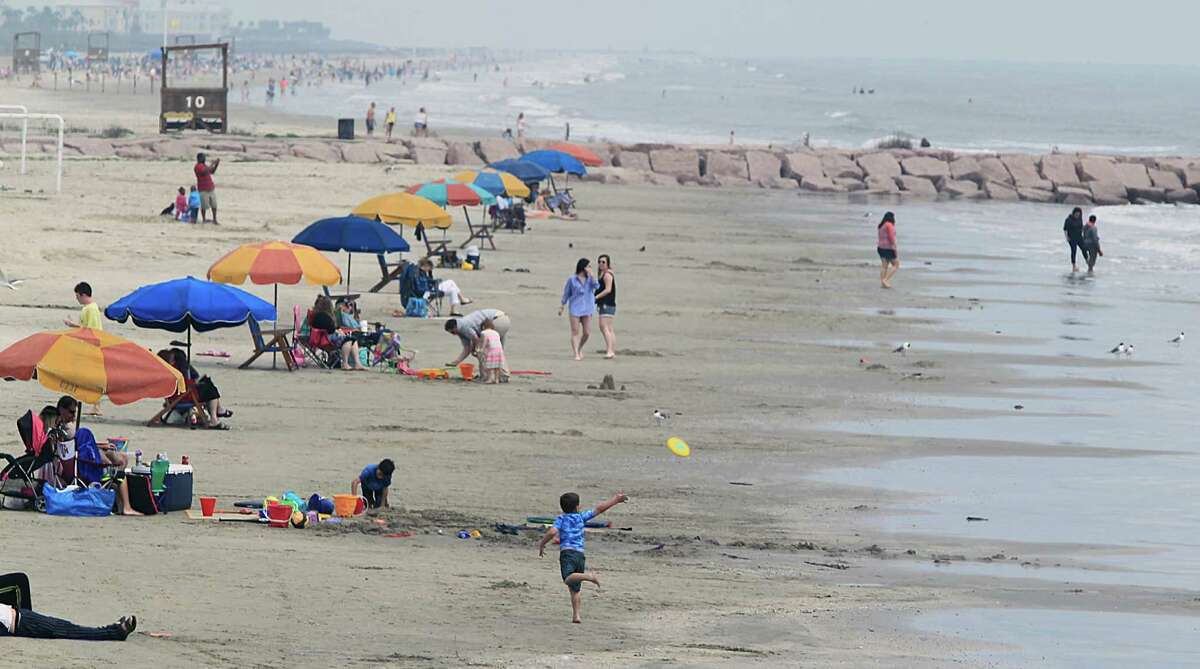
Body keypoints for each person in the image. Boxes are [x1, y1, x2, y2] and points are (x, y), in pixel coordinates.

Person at [537, 491, 629, 624]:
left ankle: (589, 577)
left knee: (568, 578)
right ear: (577, 507)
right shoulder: (580, 517)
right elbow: (599, 509)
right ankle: (577, 615)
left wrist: (542, 544)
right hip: (580, 554)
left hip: (567, 553)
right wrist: (615, 499)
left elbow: (552, 531)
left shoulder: (561, 519)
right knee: (574, 588)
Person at [0, 573, 136, 641]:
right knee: (68, 630)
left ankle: (113, 630)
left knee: (66, 627)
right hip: (23, 624)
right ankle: (115, 632)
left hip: (23, 618)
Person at [64, 282, 104, 415]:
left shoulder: (90, 309)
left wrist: (73, 326)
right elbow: (87, 328)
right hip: (90, 346)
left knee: (89, 378)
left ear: (83, 294)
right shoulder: (90, 308)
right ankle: (93, 406)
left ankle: (95, 407)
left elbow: (92, 330)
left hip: (91, 348)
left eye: (77, 296)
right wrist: (73, 325)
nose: (76, 299)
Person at [559, 258, 600, 361]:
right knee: (575, 331)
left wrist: (593, 276)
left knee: (586, 332)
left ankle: (580, 347)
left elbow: (597, 287)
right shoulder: (572, 279)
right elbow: (566, 293)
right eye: (588, 266)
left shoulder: (590, 279)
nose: (590, 268)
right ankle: (576, 353)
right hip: (575, 308)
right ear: (583, 267)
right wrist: (562, 306)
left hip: (587, 308)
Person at [311, 295, 364, 371]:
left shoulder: (318, 315)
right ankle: (345, 364)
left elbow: (329, 328)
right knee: (348, 340)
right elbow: (330, 329)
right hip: (325, 339)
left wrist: (337, 330)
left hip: (324, 337)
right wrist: (337, 331)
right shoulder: (322, 316)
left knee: (353, 340)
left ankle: (357, 363)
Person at [445, 309, 510, 369]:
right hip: (503, 318)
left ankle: (486, 376)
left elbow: (476, 339)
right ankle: (501, 374)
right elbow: (467, 348)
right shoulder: (461, 328)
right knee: (498, 350)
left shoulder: (463, 326)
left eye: (452, 332)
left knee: (484, 352)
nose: (453, 334)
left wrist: (475, 350)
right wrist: (456, 362)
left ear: (455, 327)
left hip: (496, 319)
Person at [594, 254, 617, 359]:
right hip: (609, 304)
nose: (601, 264)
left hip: (607, 304)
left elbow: (608, 289)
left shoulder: (607, 275)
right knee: (609, 328)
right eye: (599, 262)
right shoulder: (603, 274)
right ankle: (612, 350)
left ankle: (609, 350)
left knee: (604, 327)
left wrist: (597, 297)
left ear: (608, 263)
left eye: (603, 262)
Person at [194, 152, 220, 224]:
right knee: (204, 206)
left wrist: (216, 164)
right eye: (203, 157)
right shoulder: (197, 166)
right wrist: (212, 163)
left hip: (210, 188)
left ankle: (214, 219)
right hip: (203, 189)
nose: (204, 158)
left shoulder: (204, 165)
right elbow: (204, 171)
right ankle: (204, 219)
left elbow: (212, 171)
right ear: (199, 159)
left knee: (214, 205)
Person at [480, 319, 507, 383]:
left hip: (492, 349)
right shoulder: (496, 332)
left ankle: (490, 378)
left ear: (483, 327)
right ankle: (496, 379)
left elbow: (485, 342)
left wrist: (482, 349)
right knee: (497, 366)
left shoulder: (483, 333)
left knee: (489, 366)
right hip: (499, 350)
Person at [876, 212, 900, 289]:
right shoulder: (889, 225)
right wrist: (894, 247)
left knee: (884, 266)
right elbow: (891, 237)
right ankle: (885, 280)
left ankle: (883, 283)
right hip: (888, 248)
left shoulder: (881, 225)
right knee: (896, 265)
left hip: (880, 247)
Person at [1063, 207, 1085, 272]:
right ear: (1074, 213)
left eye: (1079, 214)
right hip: (1072, 238)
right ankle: (1074, 266)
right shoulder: (1068, 219)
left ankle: (1088, 261)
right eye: (1076, 214)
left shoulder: (1080, 219)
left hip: (1079, 237)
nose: (1077, 215)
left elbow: (1081, 227)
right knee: (1074, 250)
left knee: (1084, 248)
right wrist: (1067, 237)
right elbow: (1065, 229)